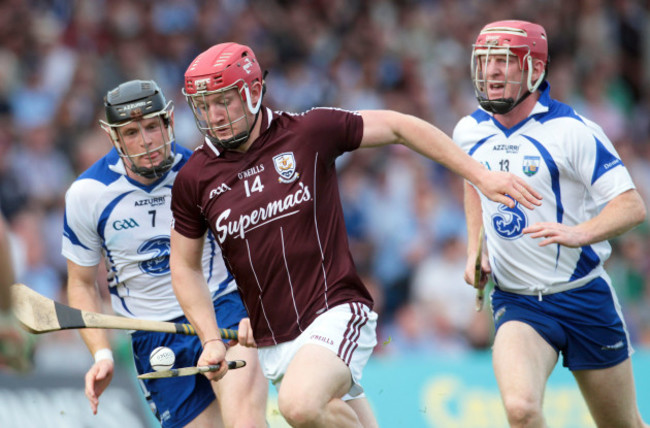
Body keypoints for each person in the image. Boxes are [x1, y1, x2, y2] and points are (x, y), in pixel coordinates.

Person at [169, 42, 541, 428]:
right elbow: (184, 265)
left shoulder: (308, 132)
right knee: (326, 411)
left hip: (334, 312)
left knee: (299, 405)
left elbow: (400, 126)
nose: (214, 116)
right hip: (273, 342)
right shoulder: (196, 178)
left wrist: (479, 175)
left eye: (223, 101)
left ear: (252, 91)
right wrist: (210, 337)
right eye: (204, 106)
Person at [454, 20, 648, 428]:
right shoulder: (469, 131)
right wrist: (476, 246)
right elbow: (472, 181)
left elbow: (631, 206)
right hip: (519, 302)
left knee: (623, 424)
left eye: (503, 62)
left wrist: (581, 233)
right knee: (521, 410)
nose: (490, 72)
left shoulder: (572, 131)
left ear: (534, 70)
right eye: (485, 60)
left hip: (584, 297)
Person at [62, 79, 268, 428]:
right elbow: (81, 284)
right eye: (130, 132)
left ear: (168, 122)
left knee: (244, 420)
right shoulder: (88, 194)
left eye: (151, 127)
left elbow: (251, 250)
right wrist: (102, 353)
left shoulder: (205, 173)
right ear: (113, 137)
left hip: (223, 309)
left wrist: (258, 308)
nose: (146, 142)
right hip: (154, 334)